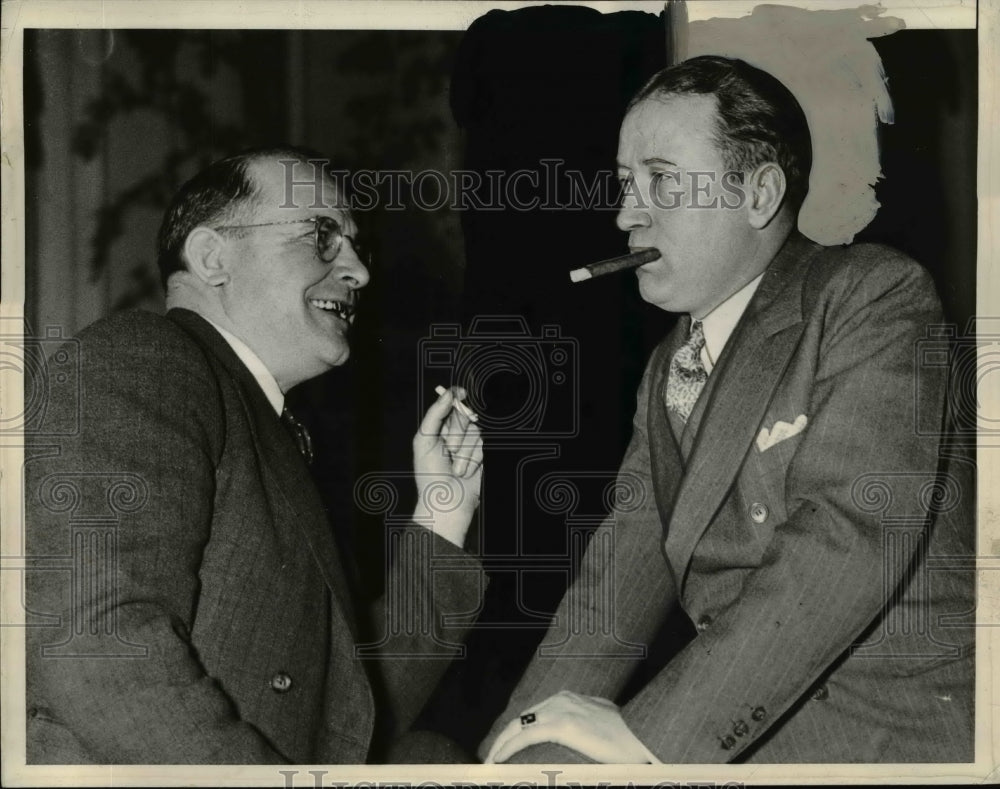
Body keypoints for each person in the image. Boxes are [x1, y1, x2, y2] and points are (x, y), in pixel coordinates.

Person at [480, 56, 974, 764]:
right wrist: (514, 746)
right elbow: (612, 590)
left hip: (899, 743)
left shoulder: (872, 298)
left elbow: (849, 538)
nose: (627, 213)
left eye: (662, 180)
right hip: (749, 732)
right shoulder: (668, 367)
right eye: (625, 183)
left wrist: (648, 738)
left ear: (759, 193)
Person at [25, 147, 485, 764]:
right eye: (322, 234)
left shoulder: (264, 426)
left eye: (354, 244)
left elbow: (346, 714)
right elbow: (101, 643)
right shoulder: (146, 357)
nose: (358, 271)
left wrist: (441, 513)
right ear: (214, 257)